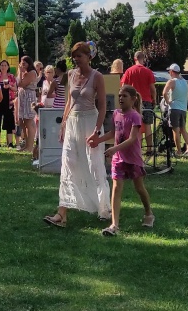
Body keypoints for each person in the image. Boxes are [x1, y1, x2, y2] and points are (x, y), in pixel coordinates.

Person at [42, 41, 109, 229]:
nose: (76, 59)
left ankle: (104, 207)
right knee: (68, 164)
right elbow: (68, 102)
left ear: (88, 56)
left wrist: (97, 131)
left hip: (90, 123)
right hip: (72, 123)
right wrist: (63, 125)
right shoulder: (70, 74)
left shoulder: (97, 77)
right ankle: (61, 213)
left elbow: (103, 106)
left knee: (94, 165)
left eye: (79, 55)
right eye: (74, 56)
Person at [89, 84, 154, 236]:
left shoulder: (135, 116)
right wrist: (98, 140)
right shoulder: (116, 113)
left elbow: (132, 139)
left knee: (139, 188)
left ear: (133, 99)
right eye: (119, 96)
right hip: (118, 159)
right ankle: (114, 225)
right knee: (116, 188)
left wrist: (114, 149)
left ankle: (149, 213)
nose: (121, 98)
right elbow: (113, 132)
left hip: (133, 158)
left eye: (124, 96)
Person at [162, 64, 188, 155]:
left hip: (174, 108)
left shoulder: (171, 82)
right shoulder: (186, 82)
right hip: (183, 109)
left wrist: (168, 101)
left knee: (175, 130)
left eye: (169, 71)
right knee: (183, 130)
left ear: (172, 72)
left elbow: (164, 93)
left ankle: (178, 151)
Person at [17, 56, 40, 155]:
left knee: (28, 121)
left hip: (29, 98)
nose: (22, 65)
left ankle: (30, 146)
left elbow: (21, 84)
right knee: (22, 121)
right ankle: (26, 145)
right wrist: (21, 72)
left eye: (24, 64)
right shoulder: (25, 73)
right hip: (23, 97)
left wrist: (20, 72)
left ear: (29, 64)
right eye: (21, 63)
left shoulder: (31, 73)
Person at [0, 59, 17, 148]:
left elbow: (15, 89)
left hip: (9, 101)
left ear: (8, 67)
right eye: (2, 65)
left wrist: (9, 86)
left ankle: (10, 142)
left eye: (5, 65)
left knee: (9, 121)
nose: (3, 67)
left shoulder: (11, 77)